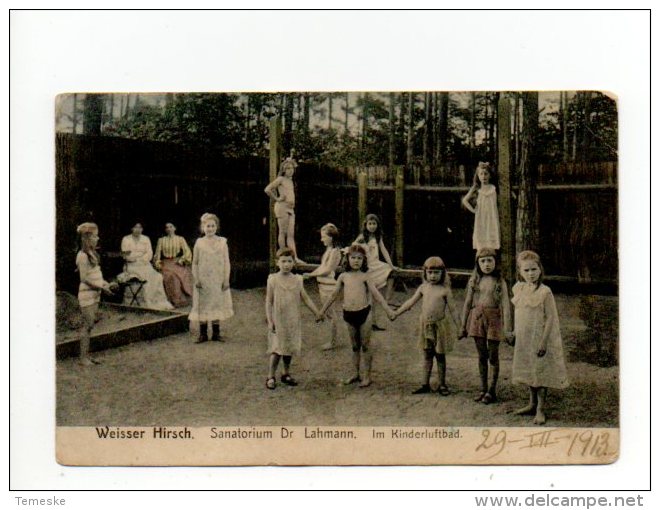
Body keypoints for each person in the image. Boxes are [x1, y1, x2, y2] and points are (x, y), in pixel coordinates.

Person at [319, 244, 396, 388]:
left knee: (365, 346)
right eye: (353, 258)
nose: (356, 261)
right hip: (348, 313)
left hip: (364, 313)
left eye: (359, 258)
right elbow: (333, 295)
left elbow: (376, 294)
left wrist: (388, 310)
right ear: (347, 259)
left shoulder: (365, 276)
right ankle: (355, 373)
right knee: (354, 347)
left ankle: (367, 376)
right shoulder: (343, 276)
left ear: (364, 260)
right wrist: (321, 311)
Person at [511, 250, 569, 425]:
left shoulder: (545, 292)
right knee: (529, 370)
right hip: (524, 338)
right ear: (520, 272)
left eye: (534, 269)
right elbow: (518, 312)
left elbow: (551, 317)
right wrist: (514, 332)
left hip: (539, 338)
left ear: (540, 269)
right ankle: (531, 403)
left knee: (540, 372)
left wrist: (544, 341)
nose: (530, 274)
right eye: (526, 270)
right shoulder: (519, 288)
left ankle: (540, 408)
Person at [393, 256, 460, 396]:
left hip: (440, 326)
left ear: (443, 273)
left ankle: (442, 384)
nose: (433, 276)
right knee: (427, 355)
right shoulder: (423, 288)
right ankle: (425, 383)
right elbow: (410, 302)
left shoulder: (445, 290)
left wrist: (460, 327)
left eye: (437, 272)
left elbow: (453, 310)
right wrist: (396, 313)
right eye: (430, 272)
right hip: (426, 326)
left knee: (440, 356)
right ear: (425, 273)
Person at [266, 248, 323, 390]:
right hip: (278, 319)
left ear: (294, 263)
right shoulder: (273, 279)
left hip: (292, 319)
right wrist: (270, 320)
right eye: (283, 261)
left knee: (289, 347)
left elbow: (305, 298)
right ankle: (271, 375)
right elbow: (269, 301)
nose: (286, 264)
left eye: (289, 261)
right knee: (278, 348)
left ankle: (286, 373)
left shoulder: (297, 280)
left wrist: (317, 312)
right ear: (277, 262)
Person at [459, 248, 512, 404]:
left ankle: (492, 390)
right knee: (482, 355)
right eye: (483, 261)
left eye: (490, 260)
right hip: (478, 318)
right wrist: (463, 325)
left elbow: (506, 306)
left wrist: (508, 329)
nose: (487, 264)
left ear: (496, 262)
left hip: (494, 319)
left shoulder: (500, 281)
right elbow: (467, 303)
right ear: (477, 263)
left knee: (493, 355)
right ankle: (483, 388)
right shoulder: (474, 280)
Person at [75, 223, 117, 366]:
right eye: (94, 236)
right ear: (87, 237)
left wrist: (105, 284)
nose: (97, 238)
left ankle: (87, 355)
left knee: (91, 324)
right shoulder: (82, 256)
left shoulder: (92, 253)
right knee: (87, 325)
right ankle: (83, 358)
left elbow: (95, 275)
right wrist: (101, 287)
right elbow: (84, 278)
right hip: (87, 294)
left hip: (95, 293)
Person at [189, 213, 234, 343]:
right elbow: (195, 262)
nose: (210, 228)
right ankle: (203, 333)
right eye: (207, 226)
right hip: (203, 279)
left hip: (217, 278)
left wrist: (226, 279)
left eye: (213, 226)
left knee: (216, 303)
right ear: (203, 227)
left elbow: (227, 262)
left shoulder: (222, 242)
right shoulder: (199, 243)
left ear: (216, 227)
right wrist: (196, 278)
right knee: (203, 304)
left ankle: (216, 333)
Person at [303, 223, 343, 351]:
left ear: (331, 237)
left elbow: (327, 270)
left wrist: (310, 275)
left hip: (329, 285)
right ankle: (332, 339)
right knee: (329, 314)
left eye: (324, 237)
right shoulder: (329, 250)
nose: (322, 239)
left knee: (331, 314)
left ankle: (333, 342)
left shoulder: (335, 251)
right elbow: (322, 268)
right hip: (322, 285)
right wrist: (312, 274)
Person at [353, 213, 397, 330]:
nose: (372, 226)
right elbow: (353, 247)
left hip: (377, 265)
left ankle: (387, 300)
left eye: (374, 224)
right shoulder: (363, 236)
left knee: (391, 272)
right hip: (369, 267)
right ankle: (370, 322)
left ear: (377, 225)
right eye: (370, 224)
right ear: (365, 225)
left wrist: (392, 265)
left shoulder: (378, 237)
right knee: (370, 298)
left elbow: (384, 250)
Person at [121, 222, 173, 310]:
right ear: (131, 229)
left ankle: (156, 301)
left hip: (144, 264)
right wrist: (137, 257)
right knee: (144, 276)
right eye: (135, 227)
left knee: (157, 276)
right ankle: (144, 302)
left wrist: (141, 258)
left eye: (140, 227)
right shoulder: (126, 239)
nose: (138, 230)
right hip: (131, 266)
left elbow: (149, 253)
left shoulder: (146, 239)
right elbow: (126, 255)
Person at [264, 157, 303, 263]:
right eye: (288, 168)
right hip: (282, 207)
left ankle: (294, 257)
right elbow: (267, 189)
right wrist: (277, 198)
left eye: (292, 168)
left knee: (291, 234)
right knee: (283, 232)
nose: (291, 170)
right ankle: (283, 256)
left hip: (290, 209)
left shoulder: (290, 181)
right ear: (284, 170)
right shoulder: (280, 179)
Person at [461, 162, 500, 251]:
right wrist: (474, 210)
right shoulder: (477, 189)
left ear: (490, 175)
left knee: (491, 237)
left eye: (486, 174)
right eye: (481, 174)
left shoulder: (494, 188)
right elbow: (465, 200)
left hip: (492, 217)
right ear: (478, 176)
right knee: (481, 238)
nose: (483, 176)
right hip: (481, 218)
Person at [153, 222, 194, 308]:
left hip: (177, 261)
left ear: (175, 228)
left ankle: (184, 299)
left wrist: (182, 260)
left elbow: (187, 252)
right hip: (166, 263)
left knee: (183, 273)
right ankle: (174, 300)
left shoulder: (180, 239)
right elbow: (157, 255)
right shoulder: (161, 240)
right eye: (167, 227)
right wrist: (157, 263)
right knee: (171, 276)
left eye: (171, 227)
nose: (169, 229)